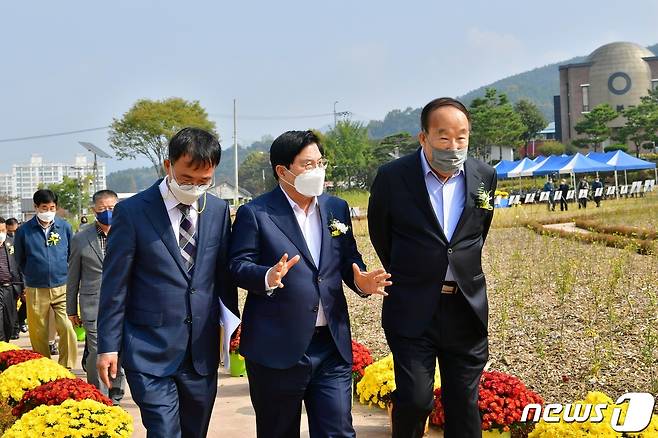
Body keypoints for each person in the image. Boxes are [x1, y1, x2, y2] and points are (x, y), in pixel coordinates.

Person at [229, 130, 391, 438]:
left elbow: (347, 259)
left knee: (338, 432)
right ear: (282, 171)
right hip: (277, 347)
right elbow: (237, 265)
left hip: (330, 343)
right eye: (307, 164)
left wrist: (360, 281)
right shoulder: (257, 213)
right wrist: (267, 276)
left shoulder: (336, 208)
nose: (317, 170)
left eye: (320, 162)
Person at [97, 127, 239, 438]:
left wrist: (232, 326)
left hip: (200, 353)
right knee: (163, 432)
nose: (195, 187)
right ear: (168, 166)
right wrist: (107, 346)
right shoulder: (133, 212)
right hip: (149, 350)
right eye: (188, 179)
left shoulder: (216, 210)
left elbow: (222, 278)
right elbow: (115, 285)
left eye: (205, 181)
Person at [368, 97, 497, 438]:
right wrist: (416, 271)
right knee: (416, 399)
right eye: (443, 137)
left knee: (465, 404)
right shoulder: (393, 177)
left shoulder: (485, 176)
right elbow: (381, 233)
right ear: (422, 137)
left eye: (461, 137)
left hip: (465, 307)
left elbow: (476, 233)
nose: (453, 146)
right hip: (413, 306)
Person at [67, 190, 125, 404]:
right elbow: (73, 276)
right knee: (98, 349)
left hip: (122, 303)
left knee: (119, 349)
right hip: (93, 304)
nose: (108, 213)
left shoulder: (127, 232)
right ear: (94, 210)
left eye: (112, 208)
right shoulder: (81, 238)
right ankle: (99, 396)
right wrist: (71, 309)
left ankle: (116, 395)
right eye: (102, 209)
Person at [13, 190, 78, 368]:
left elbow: (71, 255)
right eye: (44, 208)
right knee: (38, 331)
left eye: (52, 208)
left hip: (62, 284)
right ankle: (44, 367)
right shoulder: (24, 231)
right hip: (36, 287)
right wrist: (27, 282)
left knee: (66, 327)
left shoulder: (64, 227)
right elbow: (20, 259)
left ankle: (67, 366)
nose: (48, 211)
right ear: (36, 208)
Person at [0, 218, 23, 341]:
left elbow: (19, 266)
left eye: (2, 230)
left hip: (10, 288)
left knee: (9, 321)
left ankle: (6, 344)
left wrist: (23, 287)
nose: (1, 233)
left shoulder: (11, 244)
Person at [5, 218, 27, 336]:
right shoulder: (5, 241)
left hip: (23, 276)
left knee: (27, 303)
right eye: (10, 232)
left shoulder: (24, 238)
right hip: (10, 279)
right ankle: (14, 329)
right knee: (12, 306)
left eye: (15, 231)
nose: (13, 234)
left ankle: (20, 319)